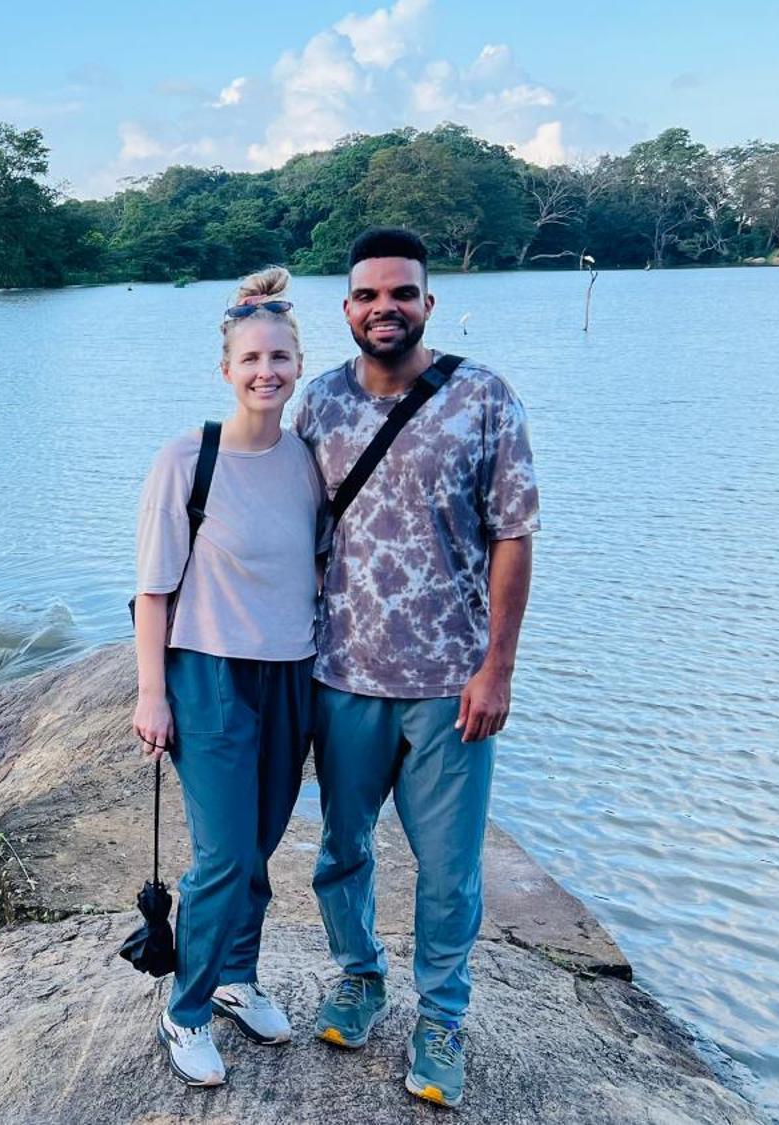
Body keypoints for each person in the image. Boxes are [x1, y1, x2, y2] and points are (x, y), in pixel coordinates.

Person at [293, 228, 539, 1109]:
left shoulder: (483, 397)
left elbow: (514, 534)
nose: (384, 308)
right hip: (342, 676)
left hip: (448, 685)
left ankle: (441, 1017)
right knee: (342, 850)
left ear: (428, 303)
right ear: (347, 309)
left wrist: (496, 668)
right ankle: (359, 976)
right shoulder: (317, 405)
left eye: (402, 293)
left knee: (449, 869)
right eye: (367, 295)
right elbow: (285, 530)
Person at [131, 267, 322, 1088]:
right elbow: (152, 586)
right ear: (226, 369)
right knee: (220, 857)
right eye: (250, 358)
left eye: (279, 355)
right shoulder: (186, 458)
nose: (265, 371)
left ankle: (238, 973)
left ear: (298, 363)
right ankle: (188, 1008)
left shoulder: (308, 460)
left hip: (293, 674)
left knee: (260, 846)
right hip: (207, 674)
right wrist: (151, 692)